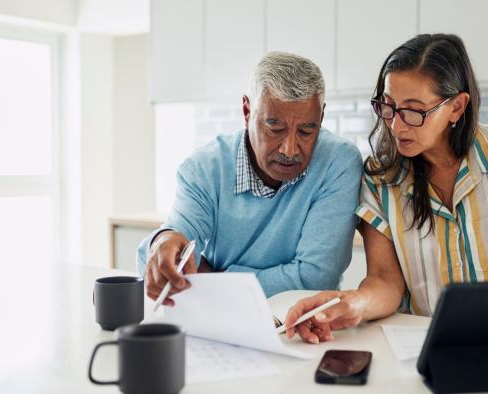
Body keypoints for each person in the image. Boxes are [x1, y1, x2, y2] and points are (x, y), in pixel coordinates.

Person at [284, 34, 488, 344]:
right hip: (422, 344)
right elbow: (385, 281)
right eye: (389, 107)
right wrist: (352, 304)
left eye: (414, 111)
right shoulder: (380, 179)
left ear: (457, 107)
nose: (396, 126)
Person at [137, 51, 363, 305]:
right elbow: (176, 243)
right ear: (247, 111)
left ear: (321, 117)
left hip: (303, 320)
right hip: (217, 318)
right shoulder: (204, 169)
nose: (290, 149)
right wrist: (164, 241)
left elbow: (314, 278)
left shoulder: (338, 162)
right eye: (274, 128)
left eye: (307, 131)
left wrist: (214, 279)